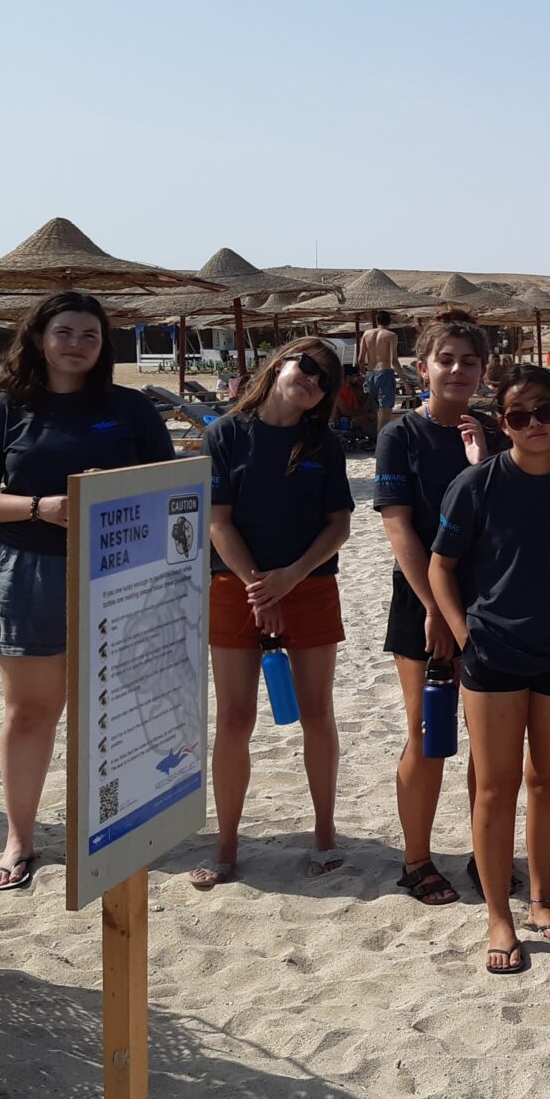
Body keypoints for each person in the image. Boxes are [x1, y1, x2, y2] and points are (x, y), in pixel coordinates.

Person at [0, 293, 175, 890]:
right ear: (39, 338)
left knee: (117, 709)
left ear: (104, 346)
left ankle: (119, 823)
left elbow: (174, 486)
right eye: (65, 332)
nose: (76, 344)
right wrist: (38, 506)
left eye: (90, 336)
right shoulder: (4, 409)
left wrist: (121, 491)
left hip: (124, 575)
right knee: (31, 712)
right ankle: (19, 838)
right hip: (29, 569)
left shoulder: (132, 409)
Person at [429, 364, 550, 973]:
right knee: (494, 784)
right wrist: (463, 636)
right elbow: (441, 567)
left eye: (545, 411)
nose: (534, 424)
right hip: (493, 655)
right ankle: (498, 916)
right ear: (501, 422)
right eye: (518, 415)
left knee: (549, 782)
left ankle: (539, 901)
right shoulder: (478, 485)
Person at [190, 337, 354, 887]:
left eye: (324, 379)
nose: (311, 378)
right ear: (279, 362)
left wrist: (290, 579)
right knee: (236, 719)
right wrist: (262, 589)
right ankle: (227, 841)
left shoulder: (322, 445)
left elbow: (339, 526)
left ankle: (325, 832)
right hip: (234, 583)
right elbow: (217, 521)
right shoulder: (225, 434)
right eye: (305, 364)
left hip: (307, 584)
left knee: (316, 712)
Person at [374, 311, 496, 905]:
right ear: (422, 367)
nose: (456, 370)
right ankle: (416, 858)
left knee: (487, 738)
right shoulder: (401, 435)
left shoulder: (494, 431)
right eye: (444, 359)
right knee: (425, 731)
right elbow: (400, 531)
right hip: (420, 600)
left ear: (482, 371)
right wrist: (436, 609)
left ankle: (485, 852)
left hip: (492, 603)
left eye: (468, 361)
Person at [360, 311, 401, 434]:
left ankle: (378, 439)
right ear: (389, 321)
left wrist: (363, 374)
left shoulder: (366, 334)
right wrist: (406, 381)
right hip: (385, 372)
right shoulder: (391, 335)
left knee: (377, 409)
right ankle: (381, 441)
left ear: (377, 321)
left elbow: (360, 359)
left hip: (370, 373)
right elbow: (394, 360)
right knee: (385, 410)